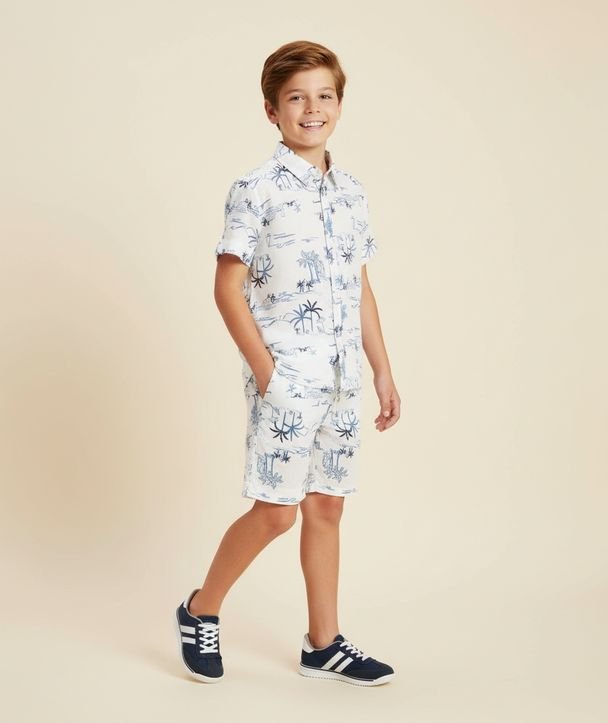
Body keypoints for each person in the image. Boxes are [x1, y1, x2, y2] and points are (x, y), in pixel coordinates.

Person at [174, 40, 401, 686]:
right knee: (277, 510)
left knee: (327, 506)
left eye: (324, 95)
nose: (312, 108)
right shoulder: (256, 190)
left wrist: (381, 369)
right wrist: (267, 371)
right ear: (272, 110)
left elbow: (358, 286)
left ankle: (323, 644)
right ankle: (200, 609)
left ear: (340, 104)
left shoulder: (351, 193)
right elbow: (227, 287)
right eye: (297, 98)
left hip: (342, 380)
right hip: (287, 379)